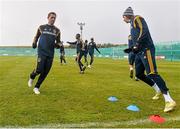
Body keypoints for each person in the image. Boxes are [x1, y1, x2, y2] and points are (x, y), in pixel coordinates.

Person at [123, 7, 176, 112]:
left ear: (127, 15)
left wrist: (137, 44)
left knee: (152, 73)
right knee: (139, 74)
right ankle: (157, 90)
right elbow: (136, 40)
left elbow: (144, 31)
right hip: (139, 53)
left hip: (146, 50)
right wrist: (132, 49)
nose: (123, 19)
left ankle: (169, 100)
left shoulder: (137, 18)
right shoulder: (131, 25)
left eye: (123, 16)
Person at [28, 12, 61, 94]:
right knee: (39, 69)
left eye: (54, 18)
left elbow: (58, 42)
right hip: (42, 51)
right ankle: (32, 76)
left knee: (45, 72)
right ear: (48, 17)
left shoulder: (57, 31)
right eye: (52, 17)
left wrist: (58, 45)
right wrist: (34, 42)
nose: (53, 19)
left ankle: (36, 87)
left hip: (50, 53)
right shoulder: (41, 27)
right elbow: (36, 36)